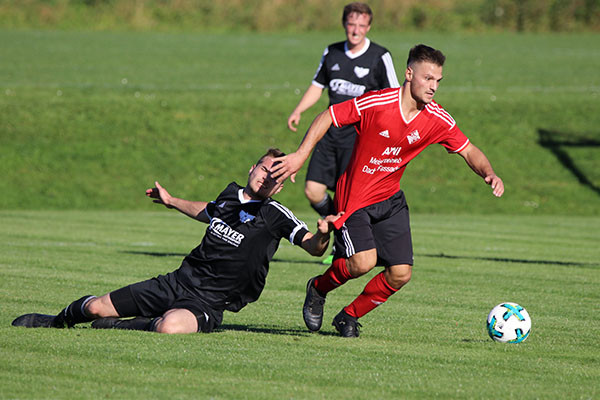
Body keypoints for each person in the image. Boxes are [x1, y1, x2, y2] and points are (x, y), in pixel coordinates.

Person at [273, 45, 504, 338]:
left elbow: (468, 149)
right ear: (409, 74)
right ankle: (318, 288)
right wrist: (300, 155)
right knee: (363, 262)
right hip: (354, 199)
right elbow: (329, 115)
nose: (433, 87)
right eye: (428, 78)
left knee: (400, 274)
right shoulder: (377, 103)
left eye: (438, 81)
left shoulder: (436, 118)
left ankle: (348, 316)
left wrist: (489, 173)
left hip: (390, 200)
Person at [12, 148, 338, 334]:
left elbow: (311, 245)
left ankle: (119, 327)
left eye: (276, 177)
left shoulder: (275, 214)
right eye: (266, 169)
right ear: (253, 167)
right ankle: (56, 320)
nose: (268, 177)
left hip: (207, 304)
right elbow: (207, 211)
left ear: (280, 187)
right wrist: (172, 201)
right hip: (175, 283)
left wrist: (323, 234)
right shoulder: (229, 196)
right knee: (96, 306)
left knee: (169, 328)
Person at [287, 2, 399, 264]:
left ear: (368, 27)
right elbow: (317, 85)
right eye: (351, 24)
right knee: (313, 191)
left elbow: (395, 96)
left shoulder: (380, 56)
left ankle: (343, 246)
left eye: (361, 25)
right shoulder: (333, 52)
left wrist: (390, 133)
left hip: (359, 138)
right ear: (344, 24)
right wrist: (298, 110)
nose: (355, 30)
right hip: (328, 133)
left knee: (347, 197)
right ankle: (337, 226)